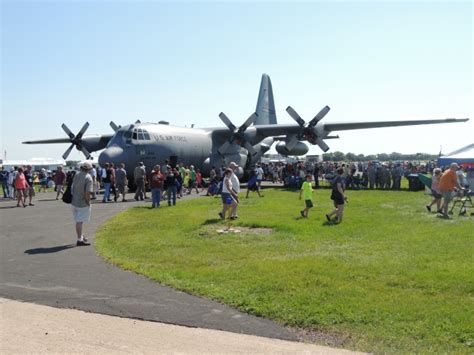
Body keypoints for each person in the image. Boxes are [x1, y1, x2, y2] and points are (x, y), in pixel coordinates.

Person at [72, 162, 93, 246]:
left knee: (78, 221)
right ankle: (79, 239)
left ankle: (81, 236)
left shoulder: (76, 175)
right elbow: (87, 192)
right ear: (89, 169)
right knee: (79, 222)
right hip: (82, 202)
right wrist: (88, 202)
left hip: (74, 201)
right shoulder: (88, 177)